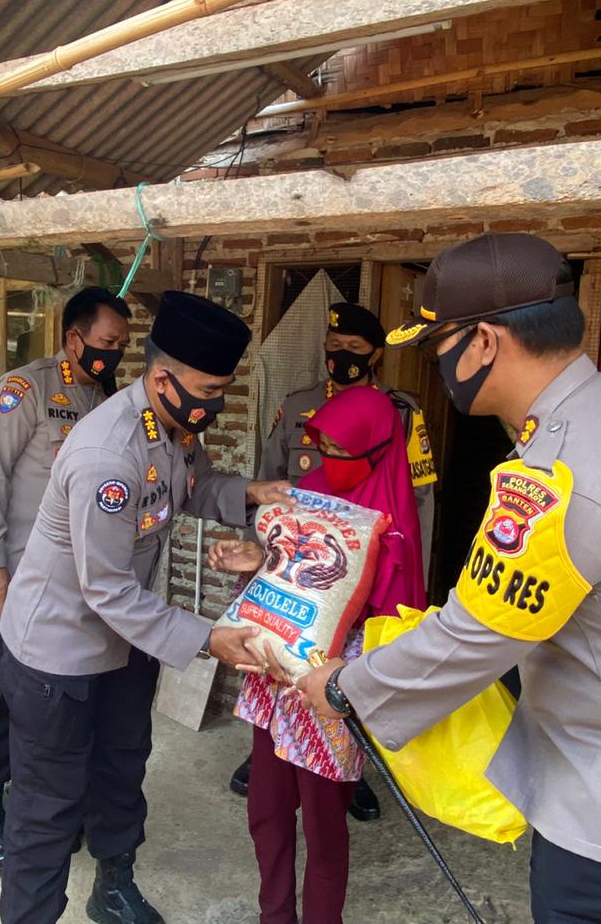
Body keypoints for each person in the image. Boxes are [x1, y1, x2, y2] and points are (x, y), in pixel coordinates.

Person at [298, 232, 601, 924]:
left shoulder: (567, 470)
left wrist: (344, 687)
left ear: (483, 342)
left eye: (437, 348)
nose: (437, 366)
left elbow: (480, 631)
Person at [0, 290, 293, 924]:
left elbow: (193, 487)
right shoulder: (110, 454)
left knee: (123, 768)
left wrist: (253, 492)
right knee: (47, 808)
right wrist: (208, 638)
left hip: (127, 639)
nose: (215, 402)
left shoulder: (171, 425)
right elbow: (103, 588)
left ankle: (114, 884)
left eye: (222, 389)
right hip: (59, 652)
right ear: (163, 378)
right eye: (209, 389)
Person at [210, 384, 425, 924]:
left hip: (332, 689)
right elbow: (287, 562)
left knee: (326, 829)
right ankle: (274, 914)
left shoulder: (393, 522)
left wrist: (351, 677)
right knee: (267, 811)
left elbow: (398, 626)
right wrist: (254, 559)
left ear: (377, 450)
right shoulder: (309, 491)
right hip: (273, 676)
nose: (326, 461)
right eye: (320, 447)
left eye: (338, 451)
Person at [231, 301, 437, 818]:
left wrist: (412, 584)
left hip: (371, 572)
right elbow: (267, 480)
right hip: (299, 569)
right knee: (280, 656)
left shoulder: (402, 413)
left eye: (354, 351)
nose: (341, 358)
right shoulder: (297, 404)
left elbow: (422, 506)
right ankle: (269, 750)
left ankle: (351, 770)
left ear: (375, 357)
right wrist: (259, 557)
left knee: (351, 670)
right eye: (333, 349)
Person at [0, 286, 131, 875]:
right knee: (1, 692)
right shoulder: (25, 389)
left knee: (70, 703)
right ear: (73, 337)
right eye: (107, 343)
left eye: (122, 347)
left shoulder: (109, 396)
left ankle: (57, 804)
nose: (114, 356)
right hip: (21, 580)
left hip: (83, 582)